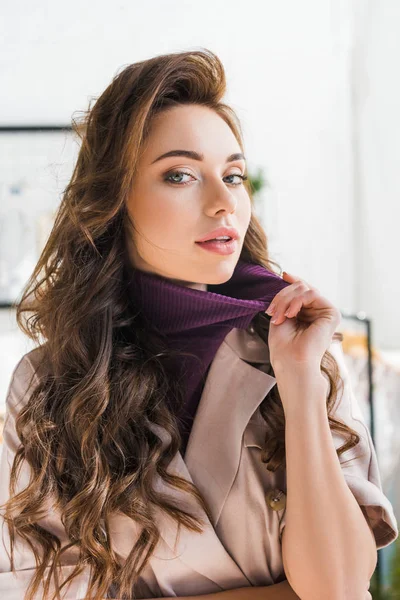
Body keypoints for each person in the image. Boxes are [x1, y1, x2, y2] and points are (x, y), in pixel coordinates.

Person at [0, 48, 397, 600]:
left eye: (233, 176)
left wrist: (302, 382)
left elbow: (337, 588)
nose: (223, 204)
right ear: (115, 200)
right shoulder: (49, 383)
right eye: (180, 175)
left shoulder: (303, 352)